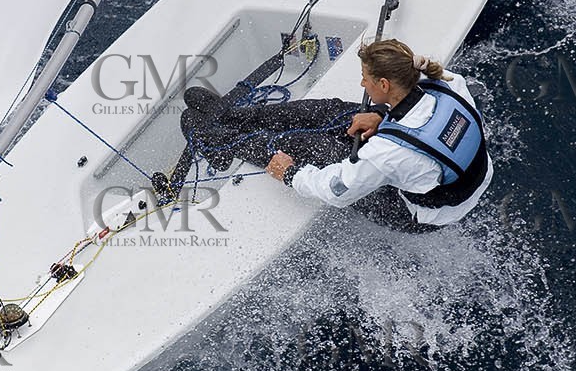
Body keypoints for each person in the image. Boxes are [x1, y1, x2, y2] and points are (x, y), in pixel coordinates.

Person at [177, 38, 492, 229]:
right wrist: (381, 115)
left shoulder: (386, 155)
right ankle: (233, 117)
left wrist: (290, 174)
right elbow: (422, 122)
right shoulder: (448, 84)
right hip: (436, 166)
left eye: (365, 79)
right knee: (334, 111)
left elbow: (337, 191)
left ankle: (222, 144)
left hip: (419, 213)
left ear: (385, 85)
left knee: (311, 147)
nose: (362, 85)